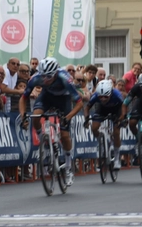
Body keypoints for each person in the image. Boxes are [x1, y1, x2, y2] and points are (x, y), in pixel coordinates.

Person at [19, 57, 83, 186]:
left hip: (63, 99)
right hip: (46, 96)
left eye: (49, 77)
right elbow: (23, 98)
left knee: (64, 135)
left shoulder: (65, 78)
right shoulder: (35, 78)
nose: (45, 80)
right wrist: (23, 115)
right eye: (43, 76)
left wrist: (68, 117)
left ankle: (69, 168)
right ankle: (43, 139)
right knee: (36, 116)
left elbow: (79, 103)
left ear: (55, 73)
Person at [83, 79, 125, 170]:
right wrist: (86, 119)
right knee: (94, 128)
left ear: (110, 93)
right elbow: (87, 107)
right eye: (101, 97)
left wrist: (121, 118)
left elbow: (124, 107)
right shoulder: (95, 96)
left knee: (116, 132)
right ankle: (101, 142)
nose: (103, 99)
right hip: (102, 109)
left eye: (106, 97)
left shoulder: (117, 94)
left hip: (116, 110)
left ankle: (117, 158)